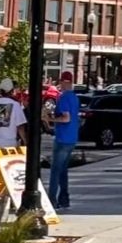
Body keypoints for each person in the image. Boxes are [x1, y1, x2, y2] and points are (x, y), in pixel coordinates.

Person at [48, 70, 81, 210]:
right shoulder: (74, 97)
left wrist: (49, 119)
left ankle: (52, 200)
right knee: (63, 170)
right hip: (72, 138)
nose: (60, 84)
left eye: (61, 81)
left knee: (55, 170)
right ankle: (64, 198)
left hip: (62, 138)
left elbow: (66, 118)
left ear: (64, 82)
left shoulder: (64, 98)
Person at [0, 78, 27, 150]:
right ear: (12, 91)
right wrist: (25, 141)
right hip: (9, 145)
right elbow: (20, 127)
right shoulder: (15, 105)